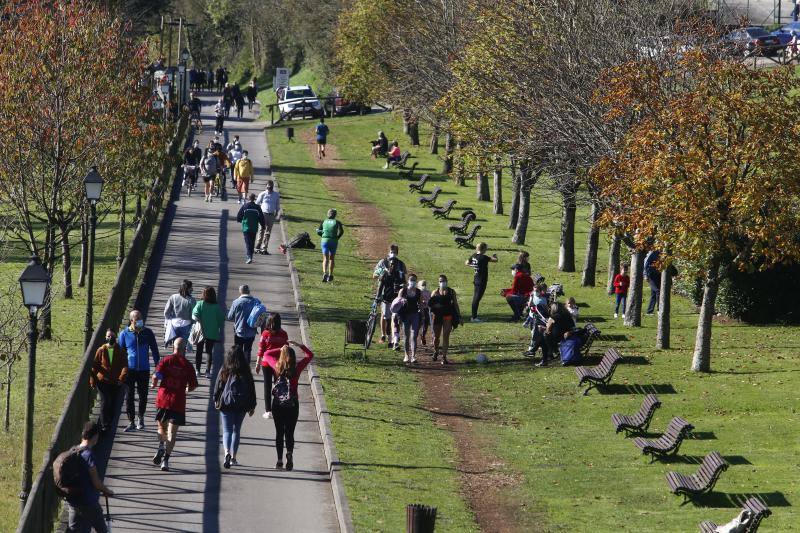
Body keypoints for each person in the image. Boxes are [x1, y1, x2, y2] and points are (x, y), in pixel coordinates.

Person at [260, 341, 314, 471]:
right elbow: (310, 355)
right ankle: (289, 453)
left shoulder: (276, 366)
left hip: (278, 404)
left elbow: (266, 354)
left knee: (279, 433)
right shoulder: (297, 368)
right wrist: (299, 345)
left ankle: (279, 461)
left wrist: (281, 347)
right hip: (292, 404)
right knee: (290, 432)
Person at [150, 338, 198, 472]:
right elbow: (193, 385)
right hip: (178, 401)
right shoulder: (188, 365)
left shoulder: (165, 361)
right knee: (172, 433)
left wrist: (154, 384)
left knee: (161, 427)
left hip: (163, 399)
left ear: (173, 347)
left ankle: (160, 445)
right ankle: (165, 460)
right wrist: (187, 389)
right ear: (184, 349)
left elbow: (156, 375)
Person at [63, 422, 114, 533]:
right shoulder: (88, 455)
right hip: (88, 502)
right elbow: (96, 482)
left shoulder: (73, 450)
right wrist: (107, 491)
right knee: (102, 530)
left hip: (73, 502)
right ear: (95, 436)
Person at [214, 345, 257, 468]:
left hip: (226, 403)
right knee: (236, 430)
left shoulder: (225, 368)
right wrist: (252, 405)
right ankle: (233, 457)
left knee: (227, 430)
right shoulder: (246, 370)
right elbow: (251, 388)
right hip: (242, 404)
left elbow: (218, 385)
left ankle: (226, 452)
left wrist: (216, 399)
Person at [119, 310, 160, 432]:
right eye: (138, 319)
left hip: (144, 369)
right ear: (132, 320)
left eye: (141, 318)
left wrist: (157, 369)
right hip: (130, 370)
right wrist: (120, 371)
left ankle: (141, 417)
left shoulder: (148, 333)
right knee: (129, 396)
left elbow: (155, 351)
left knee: (143, 396)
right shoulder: (124, 334)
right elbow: (120, 354)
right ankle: (131, 421)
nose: (141, 320)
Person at [90, 329, 127, 433]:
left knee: (114, 403)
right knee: (105, 401)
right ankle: (104, 425)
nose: (110, 338)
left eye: (112, 336)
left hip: (115, 382)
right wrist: (92, 380)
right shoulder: (101, 350)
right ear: (105, 338)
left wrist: (121, 378)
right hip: (103, 381)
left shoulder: (120, 351)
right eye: (108, 336)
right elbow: (95, 366)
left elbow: (125, 366)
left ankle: (110, 422)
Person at [255, 313, 288, 419]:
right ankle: (278, 408)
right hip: (279, 363)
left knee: (267, 386)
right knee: (279, 385)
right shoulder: (284, 334)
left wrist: (257, 363)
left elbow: (261, 349)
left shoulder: (265, 334)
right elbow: (286, 350)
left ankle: (268, 410)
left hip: (266, 363)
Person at [191, 286, 225, 378]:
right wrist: (216, 325)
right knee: (209, 352)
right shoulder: (216, 307)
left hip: (201, 332)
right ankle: (207, 371)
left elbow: (194, 315)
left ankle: (197, 370)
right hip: (212, 332)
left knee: (199, 351)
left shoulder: (200, 304)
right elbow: (221, 319)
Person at [429, 274, 461, 364]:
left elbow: (455, 304)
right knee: (436, 337)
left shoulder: (451, 292)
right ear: (438, 283)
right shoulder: (435, 292)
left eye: (443, 281)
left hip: (448, 316)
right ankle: (436, 351)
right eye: (440, 281)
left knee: (446, 336)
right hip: (437, 317)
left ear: (447, 281)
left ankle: (444, 357)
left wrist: (459, 316)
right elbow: (430, 304)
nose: (442, 282)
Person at [466, 242, 498, 322]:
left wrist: (473, 265)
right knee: (477, 298)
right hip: (482, 281)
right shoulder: (484, 257)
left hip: (476, 279)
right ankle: (474, 317)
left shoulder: (474, 256)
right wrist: (495, 256)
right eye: (486, 248)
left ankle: (474, 316)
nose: (486, 250)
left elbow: (466, 263)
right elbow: (495, 260)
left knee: (476, 298)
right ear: (483, 249)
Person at [228, 284, 261, 361]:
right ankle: (246, 369)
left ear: (240, 292)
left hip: (239, 331)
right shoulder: (256, 301)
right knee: (248, 350)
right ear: (249, 291)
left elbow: (230, 317)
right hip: (251, 331)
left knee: (237, 351)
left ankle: (238, 368)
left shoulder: (236, 302)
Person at [396, 273, 423, 363]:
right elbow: (397, 304)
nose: (413, 282)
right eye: (411, 280)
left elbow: (421, 304)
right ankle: (406, 355)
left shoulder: (419, 292)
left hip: (415, 314)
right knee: (406, 336)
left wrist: (422, 316)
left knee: (414, 336)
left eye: (415, 280)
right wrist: (398, 316)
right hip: (405, 315)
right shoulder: (402, 291)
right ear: (408, 281)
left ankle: (414, 356)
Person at [540, 302, 576, 367]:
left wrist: (543, 328)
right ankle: (550, 354)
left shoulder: (553, 317)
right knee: (545, 336)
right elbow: (571, 326)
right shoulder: (568, 315)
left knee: (543, 338)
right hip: (568, 335)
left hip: (558, 338)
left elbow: (548, 330)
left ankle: (546, 357)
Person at [163, 279, 196, 348]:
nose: (192, 289)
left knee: (175, 345)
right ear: (187, 289)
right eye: (191, 288)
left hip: (174, 324)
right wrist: (193, 324)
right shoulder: (192, 300)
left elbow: (166, 312)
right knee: (182, 346)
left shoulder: (173, 297)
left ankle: (174, 358)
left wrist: (168, 320)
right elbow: (193, 315)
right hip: (186, 325)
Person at [523, 284, 550, 360]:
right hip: (531, 317)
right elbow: (529, 305)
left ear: (540, 291)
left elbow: (545, 310)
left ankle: (531, 350)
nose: (535, 292)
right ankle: (533, 349)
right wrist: (531, 298)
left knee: (534, 334)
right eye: (534, 290)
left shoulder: (543, 299)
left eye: (537, 291)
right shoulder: (532, 296)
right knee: (532, 333)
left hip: (538, 319)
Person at [316, 208, 344, 282]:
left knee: (325, 258)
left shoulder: (323, 221)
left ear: (328, 214)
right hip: (334, 241)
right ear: (335, 215)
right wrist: (337, 238)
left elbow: (318, 232)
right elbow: (341, 231)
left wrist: (322, 235)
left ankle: (325, 273)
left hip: (325, 241)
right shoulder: (337, 222)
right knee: (332, 258)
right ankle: (330, 274)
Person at [236, 193, 266, 264]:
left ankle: (249, 256)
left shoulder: (245, 206)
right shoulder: (257, 207)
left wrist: (240, 220)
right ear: (254, 199)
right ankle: (250, 255)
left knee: (247, 242)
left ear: (248, 199)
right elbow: (261, 218)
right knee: (252, 241)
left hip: (246, 227)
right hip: (254, 227)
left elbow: (239, 216)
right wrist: (263, 225)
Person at [256, 180, 280, 255]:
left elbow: (277, 205)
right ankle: (257, 247)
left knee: (268, 232)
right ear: (266, 186)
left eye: (271, 186)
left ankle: (264, 248)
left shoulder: (276, 195)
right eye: (268, 186)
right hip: (263, 214)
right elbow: (257, 204)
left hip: (271, 215)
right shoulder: (262, 194)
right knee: (261, 230)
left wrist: (276, 214)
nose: (270, 188)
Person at [644, 250, 661, 315]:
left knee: (653, 294)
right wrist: (645, 275)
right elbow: (646, 264)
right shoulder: (653, 253)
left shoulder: (663, 252)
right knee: (657, 291)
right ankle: (659, 309)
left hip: (658, 274)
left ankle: (649, 311)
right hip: (651, 275)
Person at [418, 279, 432, 346]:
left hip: (426, 309)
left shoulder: (428, 292)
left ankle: (423, 335)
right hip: (418, 310)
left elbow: (430, 300)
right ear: (419, 286)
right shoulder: (417, 292)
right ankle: (415, 337)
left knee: (425, 324)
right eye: (422, 285)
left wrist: (428, 302)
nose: (424, 286)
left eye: (425, 285)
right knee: (418, 324)